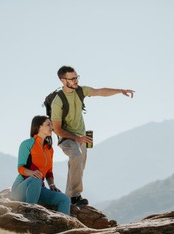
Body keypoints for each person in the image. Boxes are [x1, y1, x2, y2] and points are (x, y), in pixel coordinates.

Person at [51, 65, 135, 205]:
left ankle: (67, 199)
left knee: (78, 165)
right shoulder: (58, 101)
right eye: (72, 79)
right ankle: (76, 196)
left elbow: (100, 91)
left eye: (76, 77)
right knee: (76, 156)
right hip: (67, 138)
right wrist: (77, 138)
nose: (75, 80)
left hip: (83, 136)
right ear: (63, 80)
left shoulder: (80, 91)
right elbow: (57, 129)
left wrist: (120, 91)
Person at [10, 115, 71, 215]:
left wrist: (52, 185)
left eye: (51, 124)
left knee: (64, 199)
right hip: (22, 187)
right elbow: (20, 168)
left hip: (39, 189)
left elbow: (49, 172)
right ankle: (29, 214)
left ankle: (61, 226)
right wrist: (32, 173)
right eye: (48, 124)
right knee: (37, 178)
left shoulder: (49, 149)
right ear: (39, 127)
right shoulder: (27, 144)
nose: (52, 127)